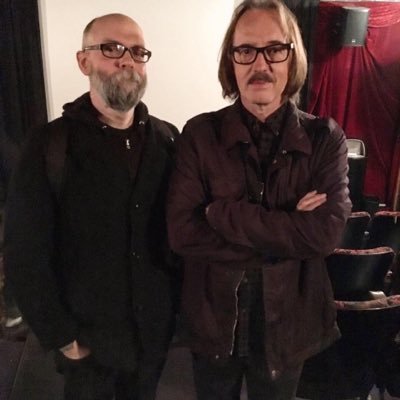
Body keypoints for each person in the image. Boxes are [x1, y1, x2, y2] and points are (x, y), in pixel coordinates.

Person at [167, 1, 352, 399]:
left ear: (292, 56)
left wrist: (220, 213)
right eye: (245, 50)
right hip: (214, 318)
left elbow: (323, 235)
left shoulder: (325, 138)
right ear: (231, 61)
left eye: (274, 49)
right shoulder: (199, 134)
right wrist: (286, 234)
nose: (260, 63)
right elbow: (182, 233)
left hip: (290, 324)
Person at [4, 13, 178, 400]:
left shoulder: (167, 140)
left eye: (137, 51)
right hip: (86, 346)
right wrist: (63, 338)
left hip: (152, 339)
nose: (127, 60)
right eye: (112, 48)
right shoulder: (49, 146)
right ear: (84, 61)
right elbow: (23, 252)